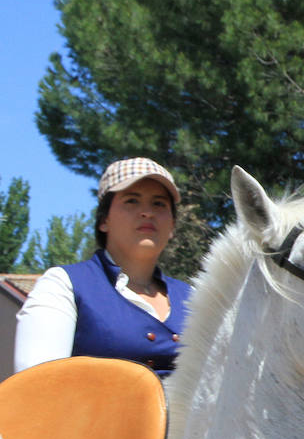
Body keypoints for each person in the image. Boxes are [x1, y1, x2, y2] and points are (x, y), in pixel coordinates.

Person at [14, 157, 192, 378]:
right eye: (131, 201)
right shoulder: (63, 285)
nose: (147, 212)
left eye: (159, 203)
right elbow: (38, 384)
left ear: (173, 225)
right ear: (103, 220)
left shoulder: (194, 298)